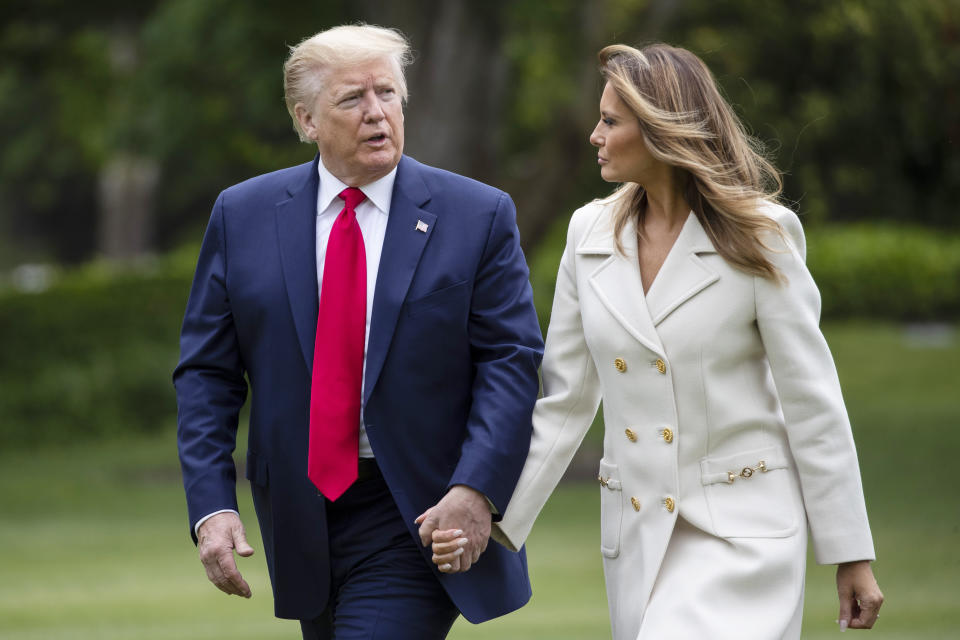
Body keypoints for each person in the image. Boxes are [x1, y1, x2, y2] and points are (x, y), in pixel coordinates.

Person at [430, 43, 883, 639]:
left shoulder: (763, 234)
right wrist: (488, 509)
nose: (594, 135)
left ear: (661, 129)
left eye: (611, 121)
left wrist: (851, 552)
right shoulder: (586, 234)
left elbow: (812, 400)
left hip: (744, 534)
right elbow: (564, 402)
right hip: (638, 537)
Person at [173, 24, 543, 640]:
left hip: (420, 512)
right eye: (353, 99)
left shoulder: (476, 214)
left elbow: (510, 362)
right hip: (299, 512)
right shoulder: (243, 215)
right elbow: (207, 375)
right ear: (307, 119)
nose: (378, 113)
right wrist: (212, 506)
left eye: (389, 94)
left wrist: (477, 488)